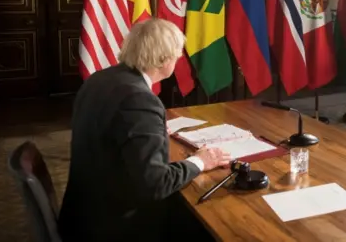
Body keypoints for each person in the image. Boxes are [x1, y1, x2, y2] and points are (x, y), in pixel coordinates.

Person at [59, 18, 231, 242]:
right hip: (114, 225)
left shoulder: (100, 79)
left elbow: (113, 130)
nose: (179, 58)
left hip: (83, 210)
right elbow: (155, 184)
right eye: (177, 54)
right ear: (163, 60)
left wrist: (152, 130)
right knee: (204, 222)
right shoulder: (139, 100)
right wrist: (200, 161)